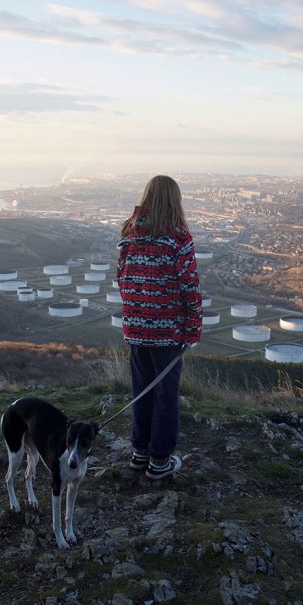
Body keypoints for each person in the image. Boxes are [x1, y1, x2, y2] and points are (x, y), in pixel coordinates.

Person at [116, 175, 203, 480]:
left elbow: (121, 275)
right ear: (174, 200)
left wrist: (136, 311)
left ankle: (140, 452)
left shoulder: (130, 232)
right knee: (165, 395)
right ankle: (160, 461)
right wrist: (193, 328)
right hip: (167, 330)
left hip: (136, 327)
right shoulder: (177, 236)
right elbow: (189, 286)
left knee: (142, 390)